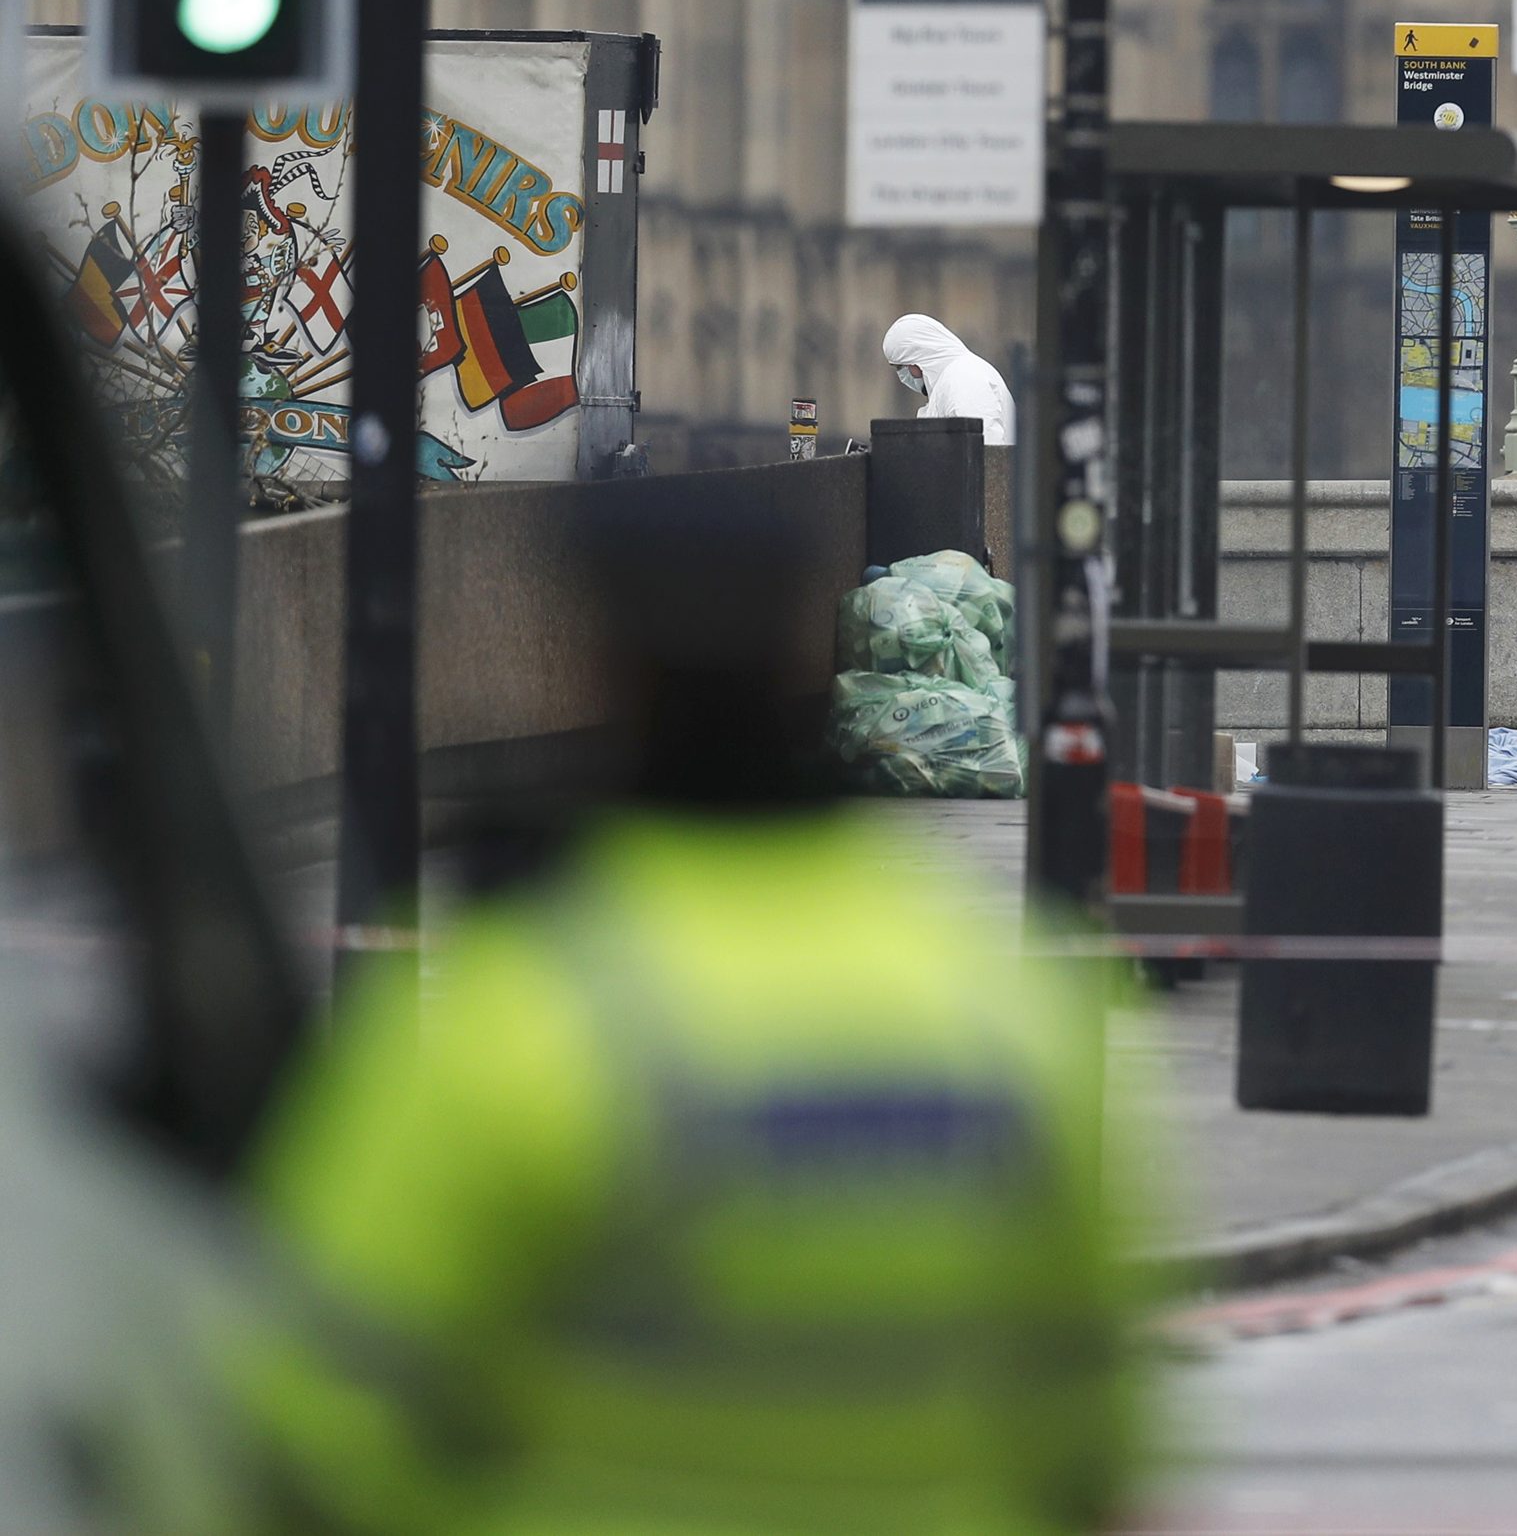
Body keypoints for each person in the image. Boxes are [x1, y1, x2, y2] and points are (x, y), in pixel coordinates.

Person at [246, 479, 1147, 1536]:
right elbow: (1098, 1439)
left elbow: (311, 1423)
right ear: (796, 653)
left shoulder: (514, 1018)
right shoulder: (1012, 1010)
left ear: (605, 663)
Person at [883, 312, 1017, 445]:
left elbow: (984, 448)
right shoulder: (951, 379)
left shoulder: (964, 378)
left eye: (900, 367)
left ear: (916, 361)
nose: (903, 375)